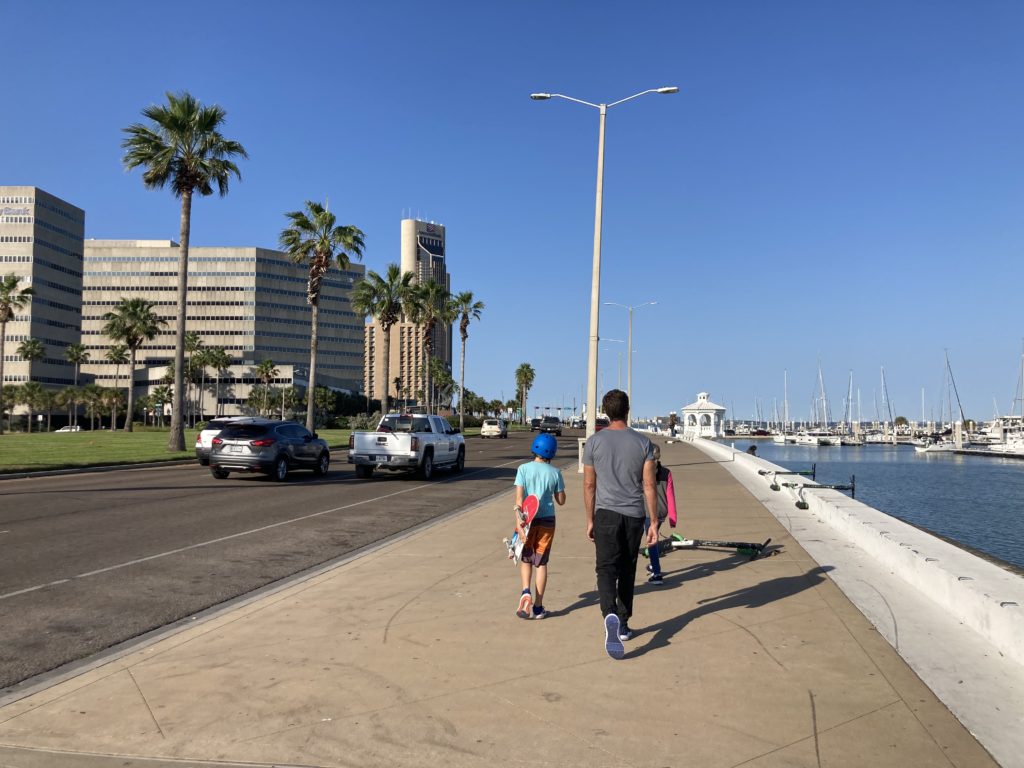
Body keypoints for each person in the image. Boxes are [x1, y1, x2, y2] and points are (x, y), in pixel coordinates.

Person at [582, 389, 658, 659]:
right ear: (627, 410)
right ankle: (623, 624)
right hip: (634, 514)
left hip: (605, 514)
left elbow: (590, 485)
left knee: (605, 567)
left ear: (605, 411)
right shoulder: (643, 443)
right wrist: (654, 522)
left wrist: (590, 519)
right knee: (627, 568)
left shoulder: (594, 443)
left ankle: (609, 614)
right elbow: (649, 485)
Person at [513, 433, 566, 620]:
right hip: (547, 521)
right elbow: (561, 501)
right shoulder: (555, 473)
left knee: (526, 559)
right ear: (552, 453)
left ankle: (525, 591)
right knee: (541, 563)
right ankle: (537, 607)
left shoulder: (523, 469)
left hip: (527, 520)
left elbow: (519, 500)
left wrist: (518, 523)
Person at [645, 443, 678, 585]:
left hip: (645, 511)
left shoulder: (642, 470)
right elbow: (670, 495)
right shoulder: (666, 472)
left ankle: (657, 573)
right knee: (653, 540)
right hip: (662, 512)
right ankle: (653, 565)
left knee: (651, 542)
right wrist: (673, 517)